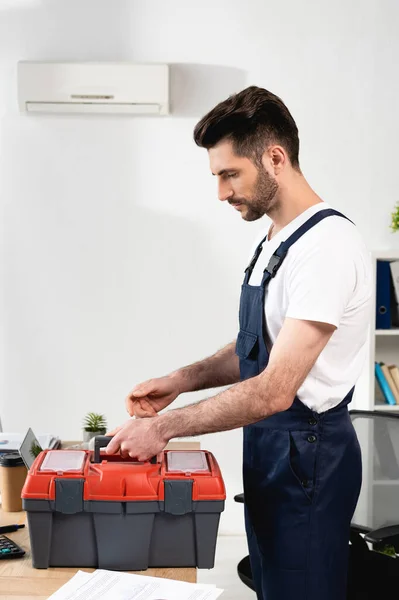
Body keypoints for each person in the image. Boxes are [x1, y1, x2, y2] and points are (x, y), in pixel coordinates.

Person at [106, 86, 372, 600]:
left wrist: (162, 429)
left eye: (230, 174)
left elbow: (275, 389)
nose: (222, 193)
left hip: (308, 456)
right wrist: (179, 382)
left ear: (275, 158)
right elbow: (257, 347)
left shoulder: (327, 248)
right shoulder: (276, 239)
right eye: (217, 177)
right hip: (273, 448)